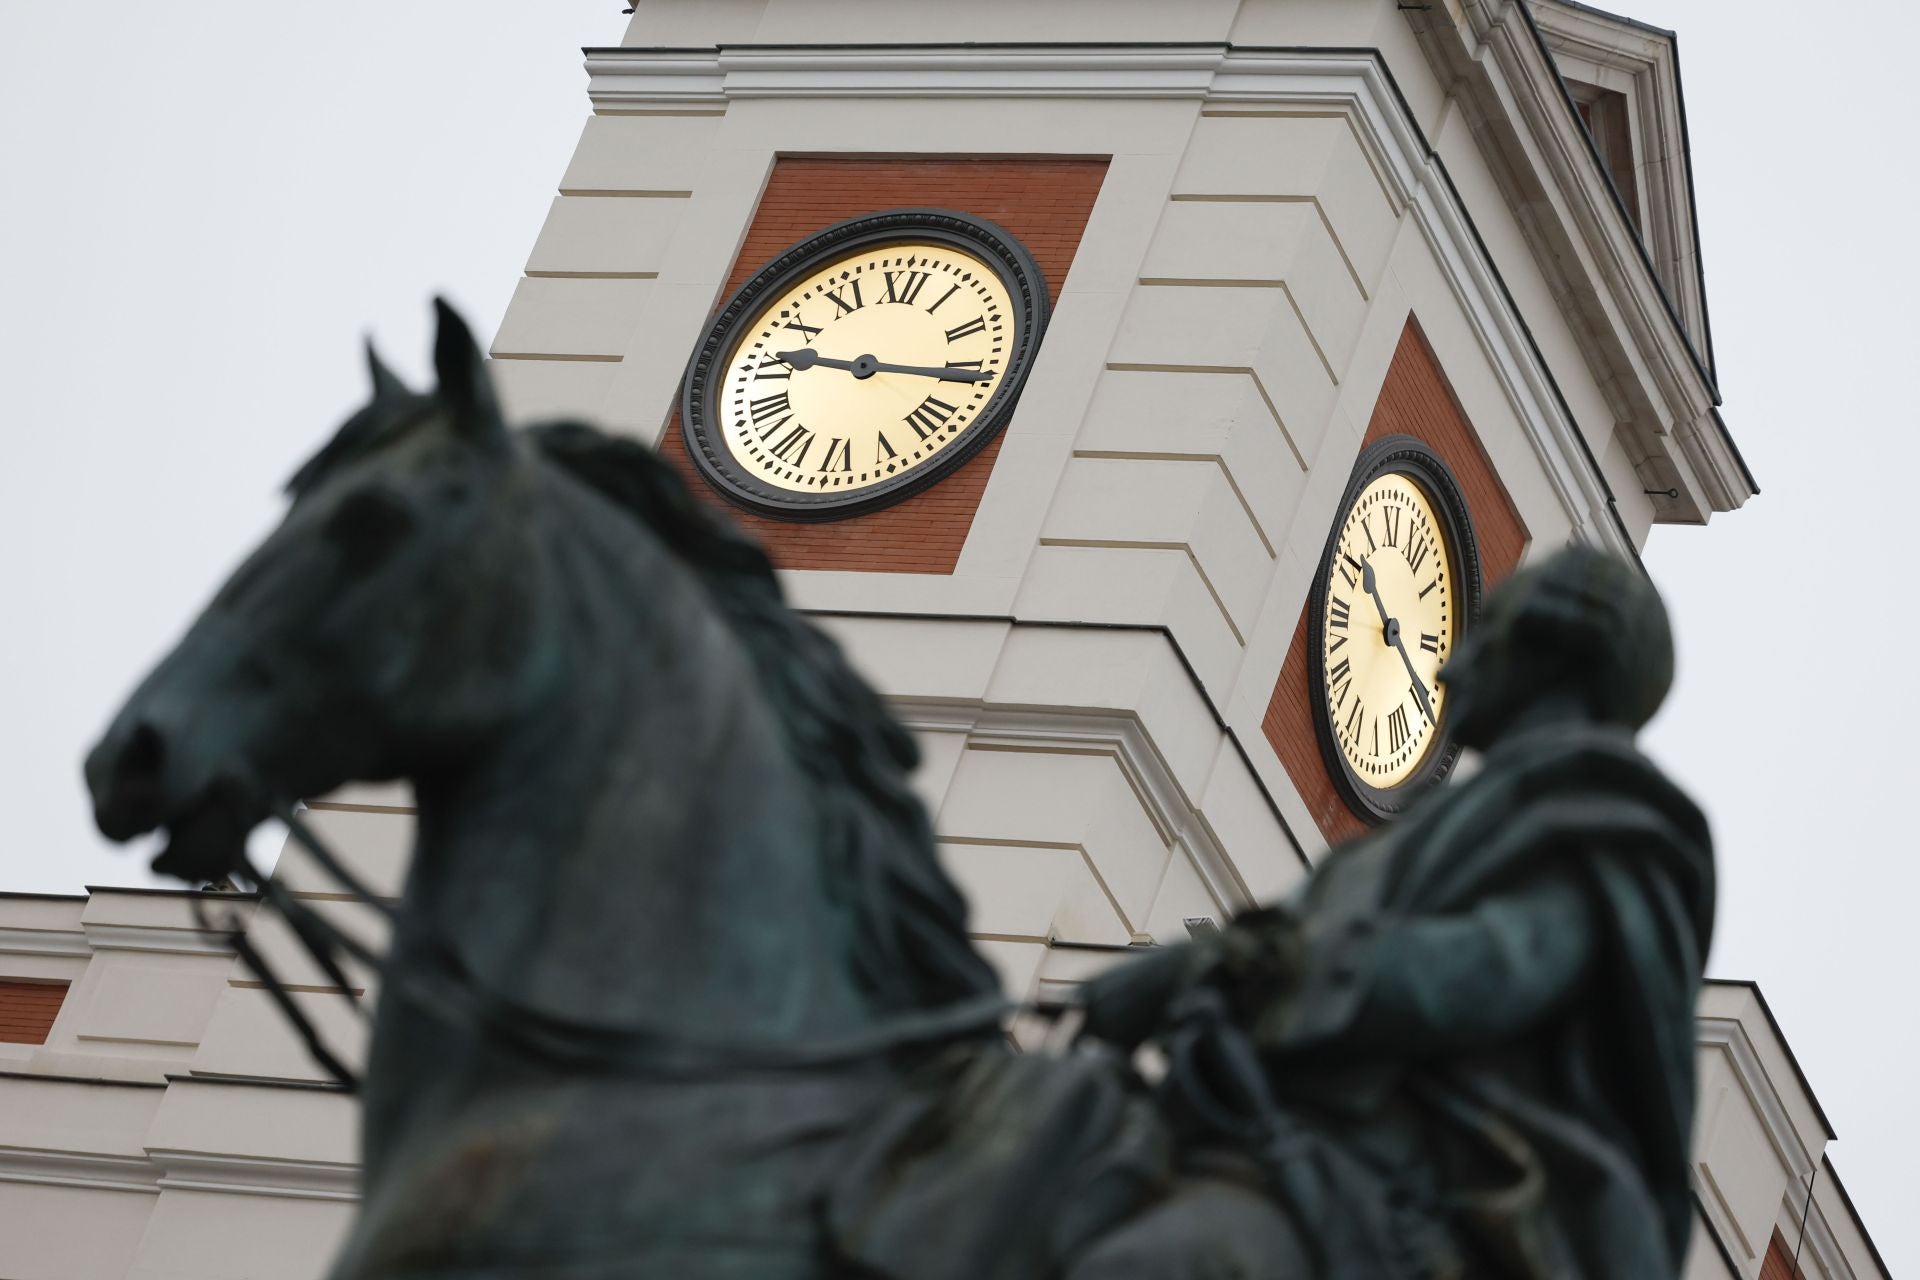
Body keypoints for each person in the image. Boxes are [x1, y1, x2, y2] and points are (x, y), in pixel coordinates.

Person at [1074, 545, 1715, 1278]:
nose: (1446, 668)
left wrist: (1224, 967)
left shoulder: (1606, 829)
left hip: (1423, 1194)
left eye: (1485, 631)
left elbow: (1482, 975)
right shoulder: (1408, 836)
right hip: (1264, 1134)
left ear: (1549, 646)